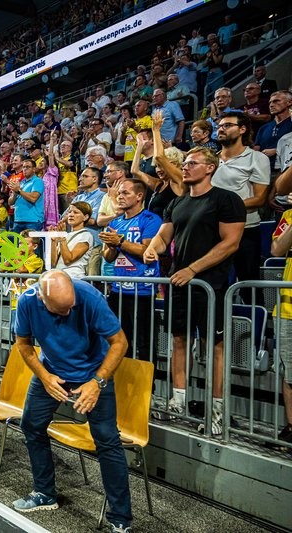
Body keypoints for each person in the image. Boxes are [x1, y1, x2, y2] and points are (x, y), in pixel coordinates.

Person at [13, 270, 131, 533]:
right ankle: (44, 493)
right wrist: (44, 377)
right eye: (60, 311)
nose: (67, 314)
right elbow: (22, 344)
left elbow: (120, 342)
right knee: (31, 426)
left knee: (107, 441)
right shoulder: (27, 301)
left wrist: (98, 382)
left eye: (70, 308)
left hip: (93, 375)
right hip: (52, 372)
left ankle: (120, 518)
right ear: (42, 299)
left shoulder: (89, 297)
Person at [143, 147, 246, 435]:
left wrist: (193, 269)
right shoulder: (178, 202)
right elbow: (164, 236)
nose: (185, 168)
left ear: (210, 168)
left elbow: (230, 243)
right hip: (179, 282)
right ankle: (179, 402)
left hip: (211, 285)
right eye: (185, 163)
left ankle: (217, 411)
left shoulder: (226, 199)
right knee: (179, 341)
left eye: (192, 163)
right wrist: (153, 249)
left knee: (215, 347)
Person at [100, 179, 162, 359]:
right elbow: (108, 257)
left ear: (139, 196)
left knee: (144, 344)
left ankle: (145, 387)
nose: (120, 196)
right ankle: (120, 384)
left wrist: (119, 242)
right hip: (118, 290)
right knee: (118, 342)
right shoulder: (116, 222)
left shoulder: (151, 219)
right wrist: (111, 246)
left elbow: (147, 251)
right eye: (119, 193)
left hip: (141, 290)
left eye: (125, 193)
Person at [212, 112, 271, 296]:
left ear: (242, 129)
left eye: (227, 125)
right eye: (220, 126)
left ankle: (254, 323)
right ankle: (218, 325)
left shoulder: (256, 158)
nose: (221, 129)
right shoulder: (211, 159)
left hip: (245, 229)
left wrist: (222, 209)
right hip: (213, 230)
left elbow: (260, 199)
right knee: (215, 286)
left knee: (248, 288)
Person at [270, 198, 292, 445]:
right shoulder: (288, 216)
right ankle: (290, 425)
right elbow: (276, 250)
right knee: (289, 370)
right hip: (287, 306)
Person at [52, 202, 94, 278]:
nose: (71, 215)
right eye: (69, 212)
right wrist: (53, 241)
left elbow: (68, 260)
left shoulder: (86, 235)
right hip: (60, 276)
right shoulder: (66, 235)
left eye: (76, 212)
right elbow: (53, 262)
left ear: (85, 217)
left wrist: (62, 238)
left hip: (74, 277)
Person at [8, 157, 44, 232]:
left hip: (32, 220)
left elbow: (33, 198)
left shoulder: (37, 181)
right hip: (18, 220)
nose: (24, 169)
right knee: (16, 244)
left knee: (31, 244)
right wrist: (15, 193)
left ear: (34, 169)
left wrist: (19, 190)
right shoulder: (21, 183)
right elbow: (10, 202)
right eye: (23, 167)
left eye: (27, 167)